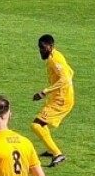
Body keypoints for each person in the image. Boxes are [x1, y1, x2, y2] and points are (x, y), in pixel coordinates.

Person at [30, 34, 74, 167]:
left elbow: (65, 78)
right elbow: (70, 72)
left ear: (51, 46)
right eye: (39, 48)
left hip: (61, 100)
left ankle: (57, 154)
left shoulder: (54, 60)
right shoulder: (56, 56)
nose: (41, 50)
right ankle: (51, 150)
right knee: (42, 124)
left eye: (43, 47)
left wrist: (44, 92)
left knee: (36, 125)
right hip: (59, 97)